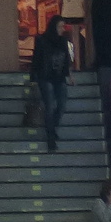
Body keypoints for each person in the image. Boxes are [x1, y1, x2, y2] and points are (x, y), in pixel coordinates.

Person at [30, 15, 73, 151]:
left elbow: (66, 60)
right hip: (46, 76)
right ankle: (51, 136)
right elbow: (36, 59)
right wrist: (33, 78)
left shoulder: (63, 41)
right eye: (60, 26)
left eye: (63, 26)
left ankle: (52, 128)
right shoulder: (42, 40)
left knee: (62, 105)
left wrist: (69, 75)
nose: (62, 29)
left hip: (59, 77)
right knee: (50, 106)